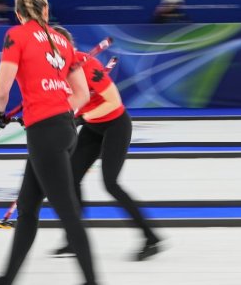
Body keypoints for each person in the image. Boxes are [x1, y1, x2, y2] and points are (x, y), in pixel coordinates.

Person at [0, 0, 103, 285]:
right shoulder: (63, 40)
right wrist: (58, 109)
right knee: (27, 209)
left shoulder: (16, 35)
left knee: (67, 212)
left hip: (44, 132)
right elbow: (82, 95)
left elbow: (2, 90)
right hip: (64, 128)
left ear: (17, 12)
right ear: (46, 9)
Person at [49, 26, 161, 261]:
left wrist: (80, 117)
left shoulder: (87, 65)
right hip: (93, 126)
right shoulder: (56, 71)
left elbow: (114, 102)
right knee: (71, 177)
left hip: (115, 125)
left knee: (110, 183)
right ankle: (74, 238)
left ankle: (151, 237)